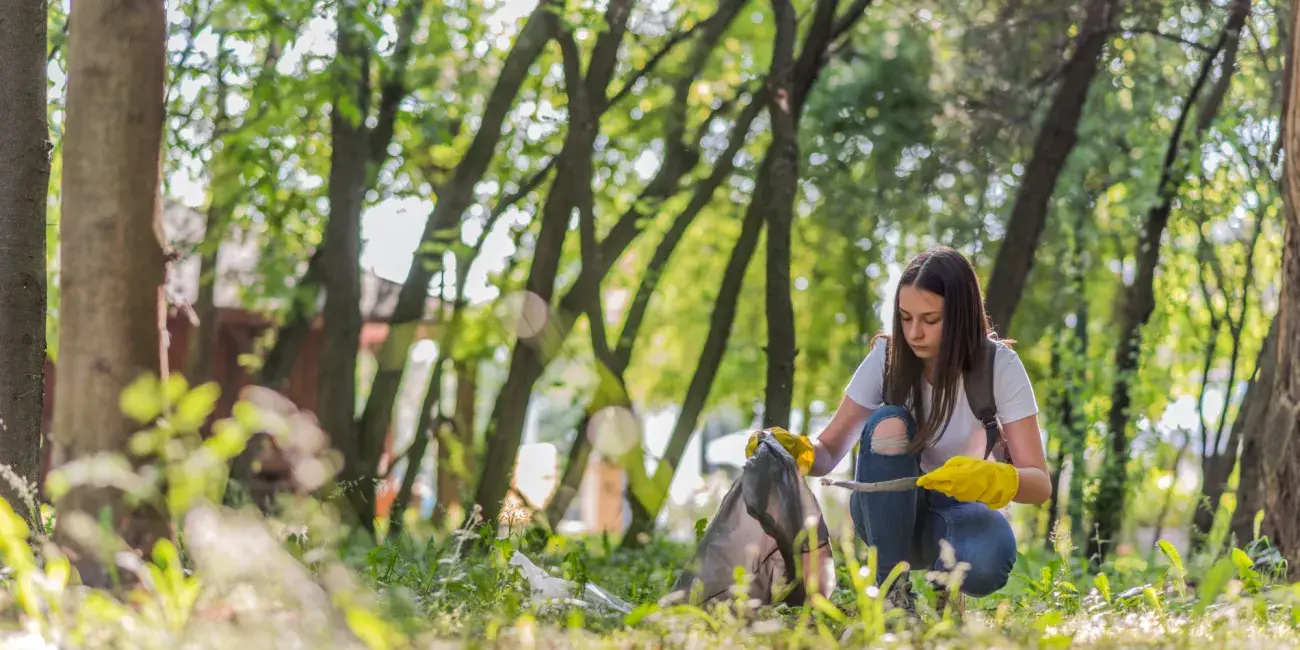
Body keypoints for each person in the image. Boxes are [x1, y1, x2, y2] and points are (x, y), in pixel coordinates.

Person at [748, 246, 1051, 615]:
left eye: (931, 319)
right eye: (905, 318)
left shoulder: (998, 366)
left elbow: (1039, 483)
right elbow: (828, 452)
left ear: (962, 316)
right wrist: (797, 451)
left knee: (989, 557)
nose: (914, 333)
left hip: (960, 517)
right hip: (886, 513)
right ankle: (892, 595)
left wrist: (992, 478)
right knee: (888, 421)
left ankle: (947, 588)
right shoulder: (887, 359)